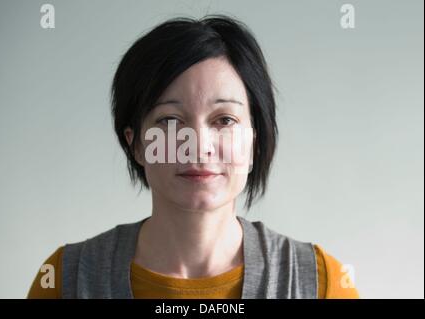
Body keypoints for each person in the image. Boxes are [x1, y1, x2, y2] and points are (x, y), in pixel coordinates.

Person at [28, 15, 359, 299]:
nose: (199, 146)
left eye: (224, 120)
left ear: (254, 141)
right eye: (170, 121)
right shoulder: (64, 280)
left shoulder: (321, 283)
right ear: (136, 144)